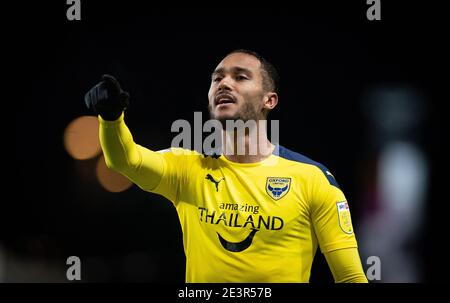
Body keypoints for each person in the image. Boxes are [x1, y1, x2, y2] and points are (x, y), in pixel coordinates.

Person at [84, 49, 368, 282]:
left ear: (269, 100)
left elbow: (351, 278)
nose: (224, 83)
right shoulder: (186, 169)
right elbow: (125, 160)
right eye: (217, 78)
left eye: (240, 77)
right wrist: (111, 119)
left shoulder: (312, 179)